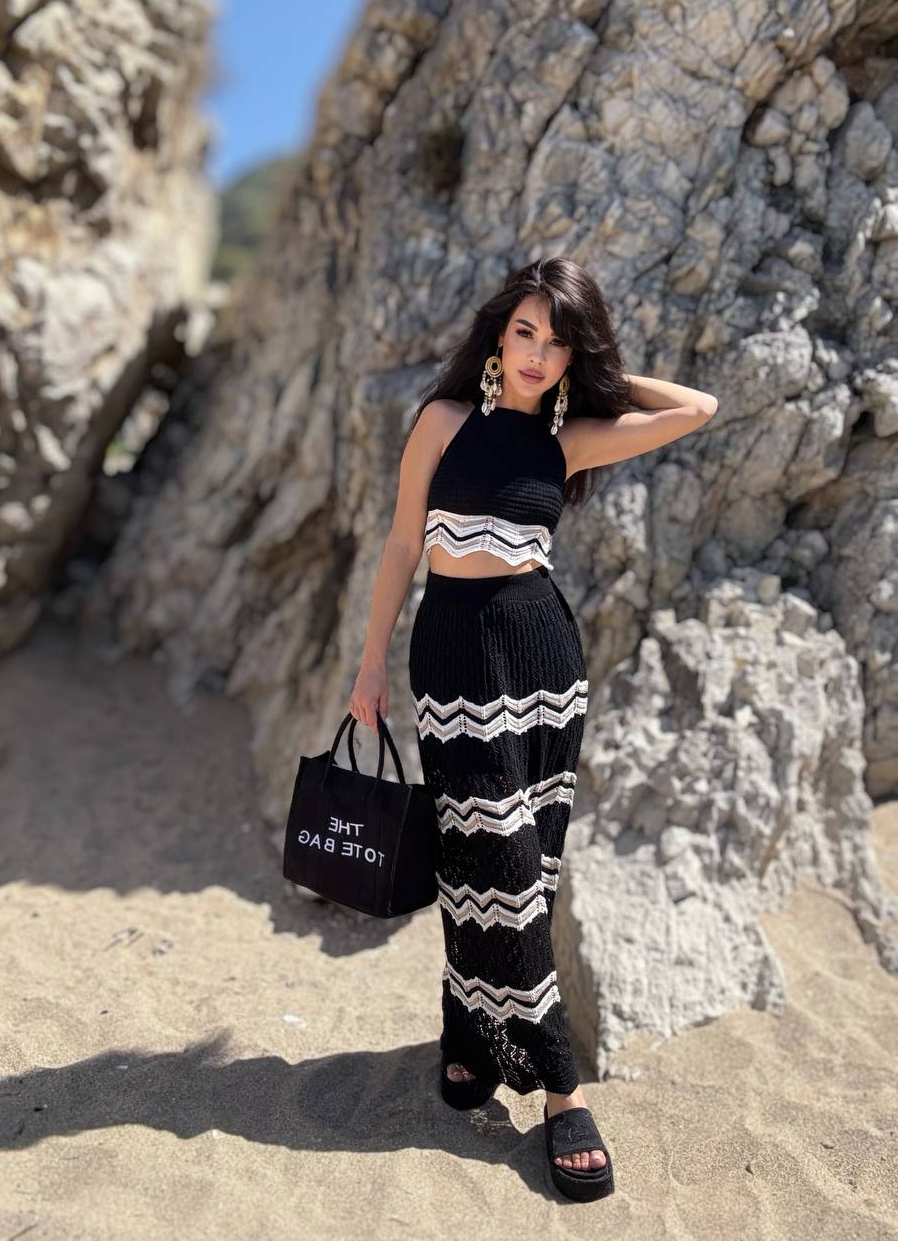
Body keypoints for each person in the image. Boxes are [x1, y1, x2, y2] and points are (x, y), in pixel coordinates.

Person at [348, 256, 718, 1202]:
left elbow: (697, 409)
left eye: (555, 342)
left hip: (544, 665)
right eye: (524, 333)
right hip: (452, 659)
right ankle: (553, 1075)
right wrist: (367, 667)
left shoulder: (570, 441)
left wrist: (594, 366)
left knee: (526, 870)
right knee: (484, 867)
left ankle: (505, 1056)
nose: (535, 355)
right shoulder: (441, 421)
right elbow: (401, 542)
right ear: (496, 334)